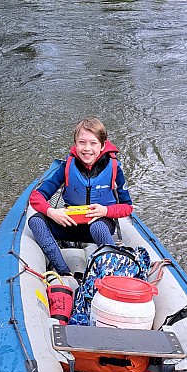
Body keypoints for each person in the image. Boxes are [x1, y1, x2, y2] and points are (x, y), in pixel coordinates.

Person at [28, 118, 133, 277]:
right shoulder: (66, 167)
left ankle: (111, 274)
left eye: (93, 143)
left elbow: (127, 207)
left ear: (103, 145)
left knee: (98, 227)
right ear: (75, 144)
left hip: (99, 225)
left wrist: (105, 211)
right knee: (35, 220)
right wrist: (52, 212)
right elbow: (36, 196)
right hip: (69, 223)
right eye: (82, 142)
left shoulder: (114, 168)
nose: (87, 148)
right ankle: (64, 272)